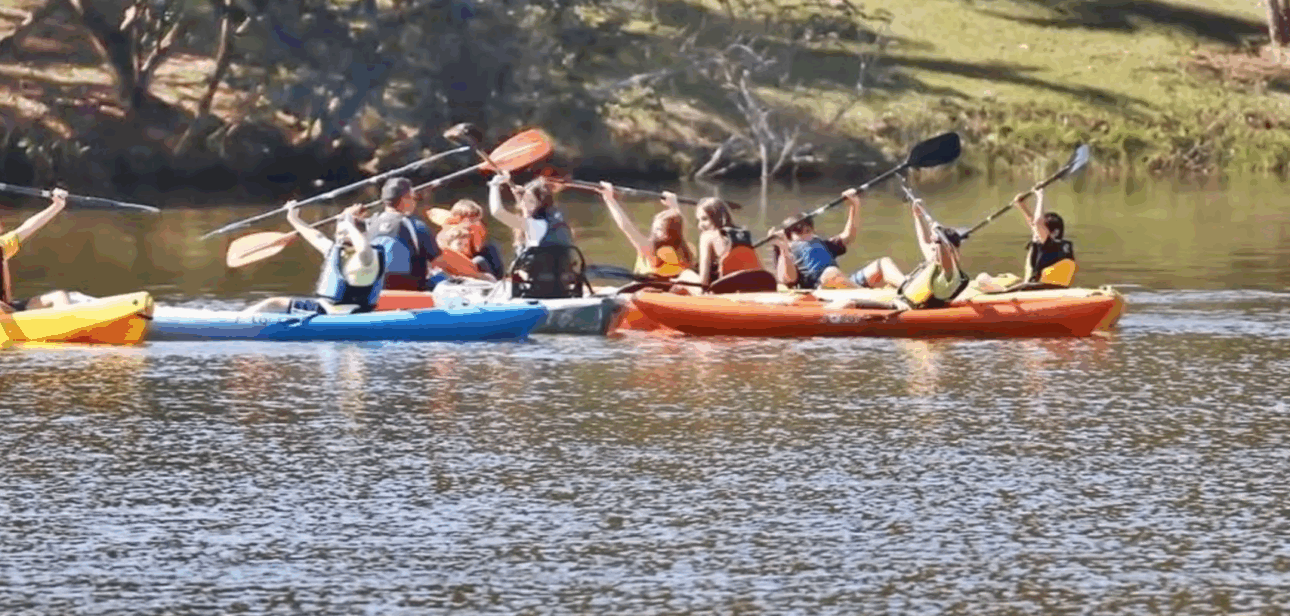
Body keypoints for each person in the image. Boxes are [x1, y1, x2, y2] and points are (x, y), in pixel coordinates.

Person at [242, 203, 389, 315]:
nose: (339, 237)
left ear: (357, 234)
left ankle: (236, 323)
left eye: (344, 234)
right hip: (327, 309)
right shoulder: (336, 251)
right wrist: (293, 219)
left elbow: (363, 248)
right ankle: (239, 319)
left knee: (273, 304)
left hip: (347, 313)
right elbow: (316, 236)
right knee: (272, 304)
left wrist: (349, 223)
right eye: (338, 234)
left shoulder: (368, 257)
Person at [766, 187, 905, 290]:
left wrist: (854, 206)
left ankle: (905, 287)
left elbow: (848, 237)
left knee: (883, 262)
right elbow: (788, 279)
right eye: (799, 233)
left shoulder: (820, 244)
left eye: (808, 231)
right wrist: (783, 248)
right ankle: (867, 294)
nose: (807, 236)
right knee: (830, 272)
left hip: (843, 285)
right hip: (818, 291)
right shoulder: (786, 251)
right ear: (789, 238)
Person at [363, 177, 487, 291]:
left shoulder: (371, 224)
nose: (415, 201)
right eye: (413, 197)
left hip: (379, 289)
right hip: (413, 289)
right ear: (405, 198)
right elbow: (441, 261)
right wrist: (478, 276)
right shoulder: (414, 225)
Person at [488, 172, 587, 298]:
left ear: (541, 203)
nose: (524, 204)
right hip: (561, 287)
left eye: (530, 201)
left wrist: (494, 184)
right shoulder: (558, 221)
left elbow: (497, 212)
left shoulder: (534, 225)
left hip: (535, 289)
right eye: (524, 201)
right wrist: (524, 197)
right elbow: (532, 221)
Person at [597, 182, 700, 283]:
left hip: (649, 288)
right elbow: (678, 224)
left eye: (657, 228)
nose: (653, 230)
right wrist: (673, 204)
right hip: (670, 285)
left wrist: (609, 198)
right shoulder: (687, 249)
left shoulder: (649, 250)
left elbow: (626, 226)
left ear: (664, 234)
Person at [1, 188, 74, 313]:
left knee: (58, 296)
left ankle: (68, 324)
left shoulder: (3, 245)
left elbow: (29, 226)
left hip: (10, 311)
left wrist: (57, 206)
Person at [892, 198, 972, 310]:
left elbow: (946, 261)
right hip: (907, 296)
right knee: (883, 263)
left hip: (908, 307)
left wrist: (939, 241)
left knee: (863, 303)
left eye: (936, 247)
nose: (933, 249)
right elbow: (924, 241)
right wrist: (918, 216)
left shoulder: (950, 272)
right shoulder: (935, 260)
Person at [694, 197, 766, 287]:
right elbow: (761, 269)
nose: (700, 225)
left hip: (728, 289)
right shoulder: (744, 234)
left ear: (717, 218)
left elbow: (703, 282)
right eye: (699, 220)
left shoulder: (707, 236)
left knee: (686, 274)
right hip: (757, 285)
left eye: (705, 219)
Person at [428, 198, 505, 279]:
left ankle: (500, 279)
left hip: (472, 262)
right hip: (460, 265)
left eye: (477, 219)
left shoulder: (476, 230)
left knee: (490, 248)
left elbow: (477, 247)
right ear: (458, 218)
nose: (476, 223)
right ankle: (495, 280)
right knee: (480, 260)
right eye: (472, 219)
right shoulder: (450, 233)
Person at [1014, 188, 1076, 286]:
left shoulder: (1049, 245)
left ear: (1053, 232)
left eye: (1042, 229)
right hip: (1059, 288)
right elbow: (1035, 225)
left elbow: (1037, 222)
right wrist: (1022, 206)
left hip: (1040, 289)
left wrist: (1040, 195)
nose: (1037, 231)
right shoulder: (1062, 246)